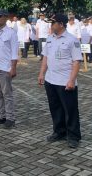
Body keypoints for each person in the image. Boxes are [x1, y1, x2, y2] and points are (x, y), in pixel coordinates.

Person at [38, 13, 82, 148]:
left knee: (70, 110)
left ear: (61, 24)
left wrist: (71, 80)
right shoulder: (50, 38)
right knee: (55, 108)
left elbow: (76, 62)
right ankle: (59, 131)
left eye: (53, 23)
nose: (50, 26)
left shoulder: (71, 40)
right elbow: (45, 57)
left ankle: (73, 136)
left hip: (65, 81)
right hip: (51, 80)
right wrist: (41, 74)